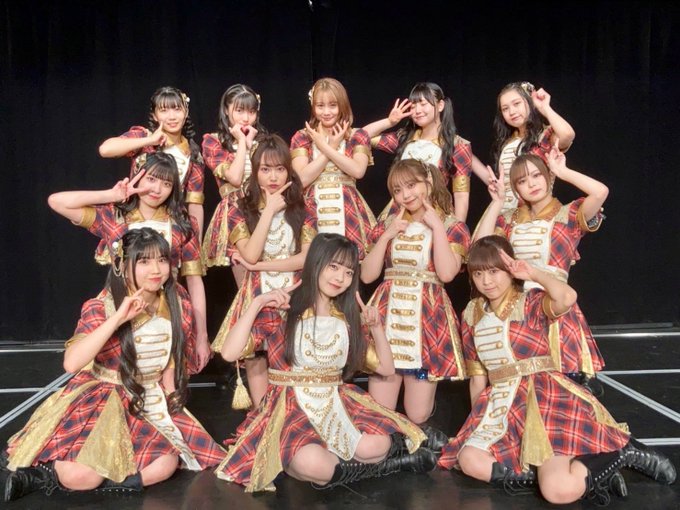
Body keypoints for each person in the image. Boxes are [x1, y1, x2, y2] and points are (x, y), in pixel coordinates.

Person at [438, 236, 675, 505]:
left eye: (494, 272)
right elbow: (477, 375)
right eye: (478, 274)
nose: (487, 281)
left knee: (557, 491)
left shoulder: (530, 301)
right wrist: (476, 420)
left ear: (509, 270)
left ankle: (622, 452)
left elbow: (567, 297)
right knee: (470, 459)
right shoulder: (472, 313)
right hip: (502, 409)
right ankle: (570, 475)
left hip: (545, 401)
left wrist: (533, 274)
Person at [2, 229, 225, 502]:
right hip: (104, 397)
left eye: (162, 260)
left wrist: (171, 403)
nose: (156, 270)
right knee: (81, 477)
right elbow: (71, 363)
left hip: (146, 398)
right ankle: (44, 475)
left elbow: (170, 361)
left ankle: (111, 479)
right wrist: (118, 318)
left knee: (165, 465)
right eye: (144, 261)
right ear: (121, 265)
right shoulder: (102, 307)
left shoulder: (177, 304)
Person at [214, 233, 438, 492]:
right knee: (315, 465)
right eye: (333, 267)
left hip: (335, 404)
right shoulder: (283, 310)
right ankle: (387, 465)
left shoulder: (345, 318)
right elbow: (229, 353)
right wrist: (258, 302)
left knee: (378, 444)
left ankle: (354, 465)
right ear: (316, 263)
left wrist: (376, 328)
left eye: (348, 272)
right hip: (290, 407)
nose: (340, 278)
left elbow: (386, 368)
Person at [47, 152, 211, 370]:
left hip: (168, 304)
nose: (157, 189)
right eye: (151, 179)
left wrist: (202, 336)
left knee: (165, 375)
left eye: (166, 183)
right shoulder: (115, 216)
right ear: (137, 176)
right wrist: (111, 194)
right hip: (120, 301)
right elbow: (56, 202)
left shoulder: (183, 225)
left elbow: (195, 280)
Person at [473, 142, 607, 394]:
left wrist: (563, 172)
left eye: (537, 175)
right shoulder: (509, 220)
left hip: (555, 302)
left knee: (563, 388)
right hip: (518, 307)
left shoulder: (569, 214)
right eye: (522, 181)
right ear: (516, 188)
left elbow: (600, 192)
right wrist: (497, 202)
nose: (532, 184)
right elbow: (479, 249)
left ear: (547, 177)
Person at [360, 158, 469, 433]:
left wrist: (438, 228)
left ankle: (419, 438)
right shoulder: (388, 223)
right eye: (397, 190)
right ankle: (391, 445)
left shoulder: (452, 225)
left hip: (426, 317)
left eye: (411, 185)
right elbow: (367, 276)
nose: (405, 195)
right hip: (388, 314)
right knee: (380, 413)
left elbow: (447, 274)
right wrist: (386, 236)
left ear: (428, 182)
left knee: (417, 414)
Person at [211, 134, 316, 408]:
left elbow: (306, 259)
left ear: (289, 171)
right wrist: (268, 210)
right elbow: (250, 253)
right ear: (255, 171)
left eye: (280, 169)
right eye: (266, 169)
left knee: (293, 358)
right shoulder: (238, 209)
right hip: (257, 293)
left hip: (295, 293)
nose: (273, 177)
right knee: (256, 355)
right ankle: (261, 418)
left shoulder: (304, 208)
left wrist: (258, 267)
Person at [98, 86, 205, 238]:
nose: (172, 117)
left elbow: (195, 204)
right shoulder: (144, 136)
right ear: (154, 115)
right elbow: (105, 149)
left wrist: (197, 243)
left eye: (177, 109)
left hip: (169, 225)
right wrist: (149, 140)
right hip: (134, 217)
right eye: (164, 110)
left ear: (186, 112)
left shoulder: (193, 153)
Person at [362, 82, 474, 222]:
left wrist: (457, 229)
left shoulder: (458, 145)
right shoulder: (404, 138)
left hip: (434, 216)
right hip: (400, 214)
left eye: (423, 104)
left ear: (440, 105)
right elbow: (361, 135)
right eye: (413, 106)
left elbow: (461, 195)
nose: (417, 110)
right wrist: (389, 122)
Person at [290, 77, 375, 256]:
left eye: (333, 105)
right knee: (314, 262)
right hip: (312, 208)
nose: (326, 112)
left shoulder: (357, 135)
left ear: (342, 105)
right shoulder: (302, 137)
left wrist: (325, 146)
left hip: (347, 209)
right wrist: (332, 146)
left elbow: (358, 170)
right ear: (313, 106)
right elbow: (301, 179)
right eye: (320, 106)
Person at [202, 84, 267, 285]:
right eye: (239, 111)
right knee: (247, 285)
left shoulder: (264, 142)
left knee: (270, 278)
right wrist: (242, 144)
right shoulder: (213, 141)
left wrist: (252, 144)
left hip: (265, 208)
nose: (246, 118)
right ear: (226, 110)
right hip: (236, 212)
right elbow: (235, 178)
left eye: (251, 111)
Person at [478, 81, 575, 213]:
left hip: (533, 214)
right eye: (505, 109)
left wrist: (545, 108)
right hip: (503, 215)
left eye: (517, 104)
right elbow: (500, 183)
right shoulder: (506, 142)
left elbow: (567, 134)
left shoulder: (545, 136)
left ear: (530, 102)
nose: (512, 112)